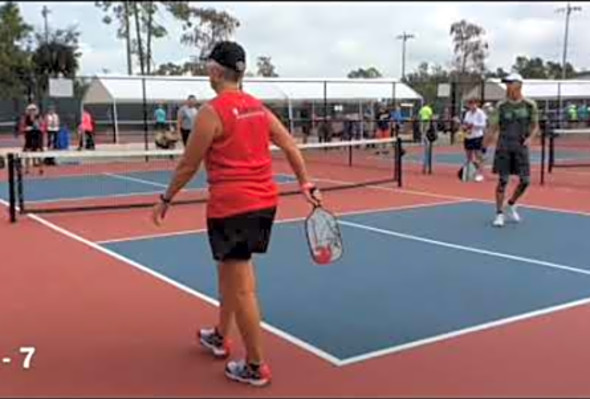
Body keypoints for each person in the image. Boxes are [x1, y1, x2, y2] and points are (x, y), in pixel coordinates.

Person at [151, 41, 320, 387]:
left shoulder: (211, 113)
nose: (206, 72)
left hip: (232, 207)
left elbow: (188, 164)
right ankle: (218, 335)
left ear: (216, 72)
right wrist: (305, 183)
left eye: (208, 66)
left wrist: (166, 199)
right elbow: (289, 145)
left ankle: (256, 365)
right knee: (230, 272)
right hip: (263, 205)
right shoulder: (258, 108)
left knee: (241, 286)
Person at [483, 73, 539, 227]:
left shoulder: (530, 105)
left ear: (518, 85)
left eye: (510, 83)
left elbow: (535, 126)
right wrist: (483, 148)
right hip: (504, 146)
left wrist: (530, 138)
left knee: (525, 181)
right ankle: (499, 214)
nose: (507, 86)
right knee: (503, 181)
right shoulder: (501, 106)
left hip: (521, 147)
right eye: (506, 84)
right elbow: (492, 128)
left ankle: (511, 203)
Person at [461, 98, 487, 182]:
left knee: (478, 156)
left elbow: (483, 125)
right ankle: (470, 172)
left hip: (477, 136)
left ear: (477, 104)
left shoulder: (480, 113)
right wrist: (464, 127)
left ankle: (480, 174)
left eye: (474, 104)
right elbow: (465, 123)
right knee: (469, 156)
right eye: (470, 104)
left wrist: (473, 125)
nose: (472, 106)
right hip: (468, 136)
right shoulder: (467, 113)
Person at [20, 103, 45, 174]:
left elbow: (43, 127)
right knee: (27, 153)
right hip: (29, 137)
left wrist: (39, 128)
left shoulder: (39, 117)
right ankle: (27, 169)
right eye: (30, 110)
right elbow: (22, 128)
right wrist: (26, 128)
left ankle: (41, 168)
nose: (32, 111)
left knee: (38, 152)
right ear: (28, 110)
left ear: (36, 110)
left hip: (37, 137)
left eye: (33, 110)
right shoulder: (25, 118)